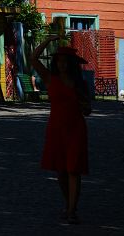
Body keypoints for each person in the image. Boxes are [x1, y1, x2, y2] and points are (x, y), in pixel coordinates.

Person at [31, 34, 91, 225]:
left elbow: (87, 109)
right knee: (61, 171)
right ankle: (69, 203)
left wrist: (85, 106)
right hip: (56, 128)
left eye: (65, 62)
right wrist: (48, 41)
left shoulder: (79, 83)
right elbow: (33, 58)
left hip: (75, 128)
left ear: (71, 64)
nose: (62, 65)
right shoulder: (49, 79)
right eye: (59, 61)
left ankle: (72, 210)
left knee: (74, 169)